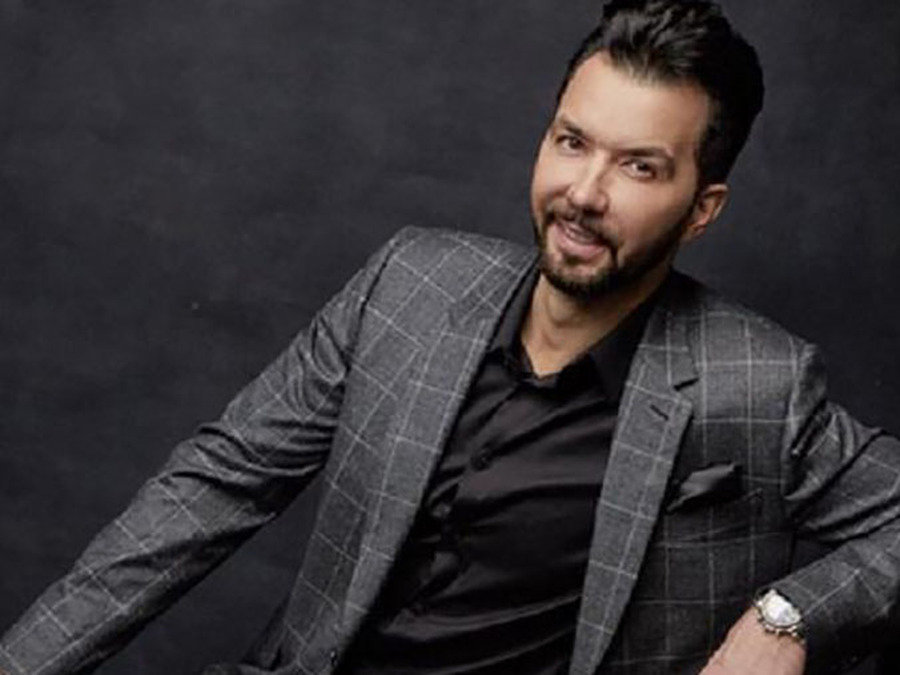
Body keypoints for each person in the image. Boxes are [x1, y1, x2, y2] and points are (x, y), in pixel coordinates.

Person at [2, 0, 899, 673]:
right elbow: (215, 485)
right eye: (572, 142)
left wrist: (789, 616)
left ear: (701, 209)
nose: (585, 193)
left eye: (638, 166)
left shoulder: (755, 381)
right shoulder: (411, 286)